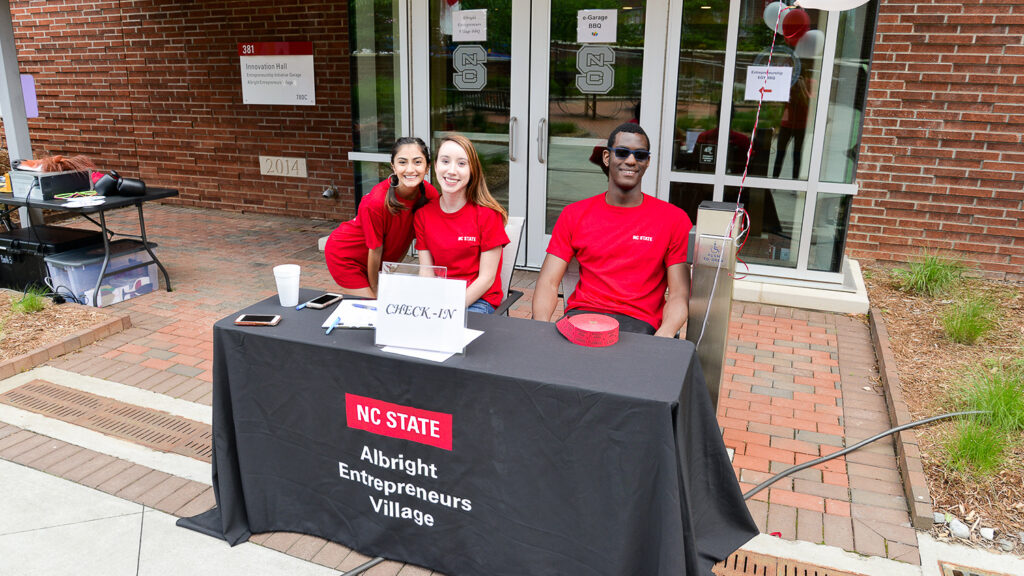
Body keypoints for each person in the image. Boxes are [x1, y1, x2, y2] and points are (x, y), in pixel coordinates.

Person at [533, 122, 693, 337]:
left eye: (640, 155)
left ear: (647, 162)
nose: (631, 160)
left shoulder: (673, 219)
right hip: (582, 318)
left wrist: (663, 337)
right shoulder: (574, 214)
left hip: (640, 325)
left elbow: (678, 294)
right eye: (623, 152)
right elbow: (548, 282)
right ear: (607, 158)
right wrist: (540, 329)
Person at [324, 137, 438, 297]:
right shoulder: (376, 202)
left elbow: (405, 240)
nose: (410, 169)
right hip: (346, 255)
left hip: (377, 258)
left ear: (427, 167)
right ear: (393, 166)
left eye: (417, 162)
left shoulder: (430, 195)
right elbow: (375, 250)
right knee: (372, 310)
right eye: (403, 162)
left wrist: (390, 271)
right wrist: (376, 288)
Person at [414, 134, 509, 314]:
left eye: (461, 163)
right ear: (435, 166)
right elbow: (426, 272)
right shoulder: (423, 215)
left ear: (472, 170)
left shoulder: (488, 215)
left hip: (477, 302)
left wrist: (449, 309)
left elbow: (486, 279)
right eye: (445, 161)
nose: (452, 170)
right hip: (439, 298)